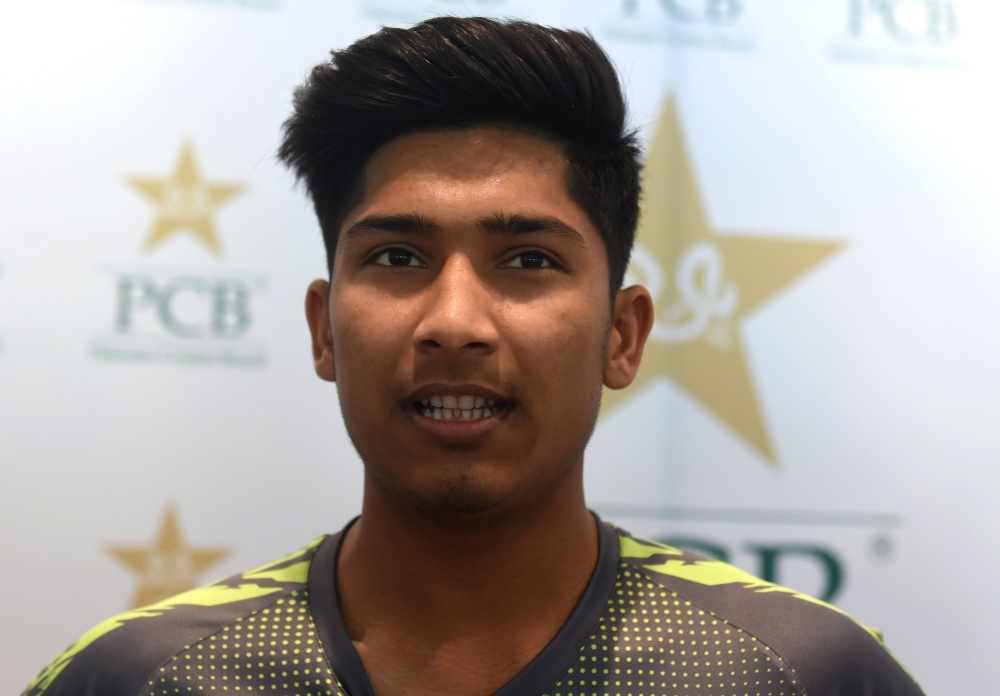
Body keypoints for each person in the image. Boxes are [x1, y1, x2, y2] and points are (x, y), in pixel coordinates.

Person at [23, 17, 924, 696]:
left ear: (623, 335)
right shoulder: (143, 677)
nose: (454, 321)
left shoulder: (803, 672)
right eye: (396, 257)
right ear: (324, 329)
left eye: (528, 260)